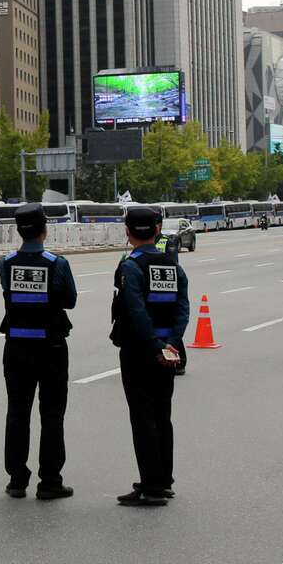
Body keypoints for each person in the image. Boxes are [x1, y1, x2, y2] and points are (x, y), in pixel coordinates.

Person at [0, 203, 76, 500]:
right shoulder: (57, 264)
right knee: (52, 414)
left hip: (16, 346)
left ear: (19, 231)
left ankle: (17, 480)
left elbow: (11, 295)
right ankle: (50, 481)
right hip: (51, 347)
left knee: (17, 412)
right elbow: (70, 301)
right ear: (45, 230)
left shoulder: (5, 263)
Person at [112, 206, 188, 508]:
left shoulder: (131, 267)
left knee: (143, 418)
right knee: (162, 416)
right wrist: (170, 343)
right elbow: (183, 307)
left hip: (140, 350)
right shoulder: (171, 266)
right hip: (167, 350)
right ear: (157, 230)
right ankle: (163, 480)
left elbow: (136, 311)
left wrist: (154, 346)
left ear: (127, 232)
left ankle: (151, 486)